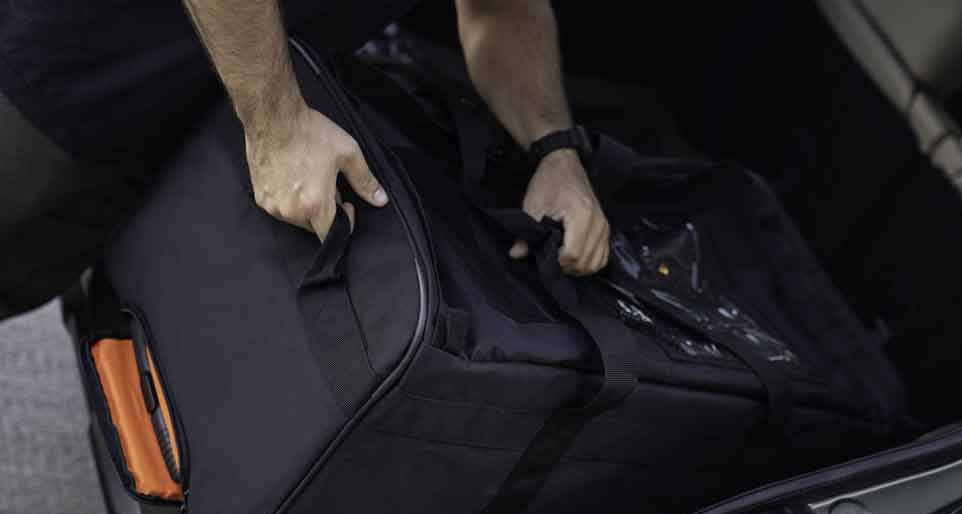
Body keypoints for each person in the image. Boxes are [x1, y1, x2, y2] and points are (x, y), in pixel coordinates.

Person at [0, 0, 609, 322]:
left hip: (199, 137)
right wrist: (276, 121)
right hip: (68, 86)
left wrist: (553, 150)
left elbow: (501, 12)